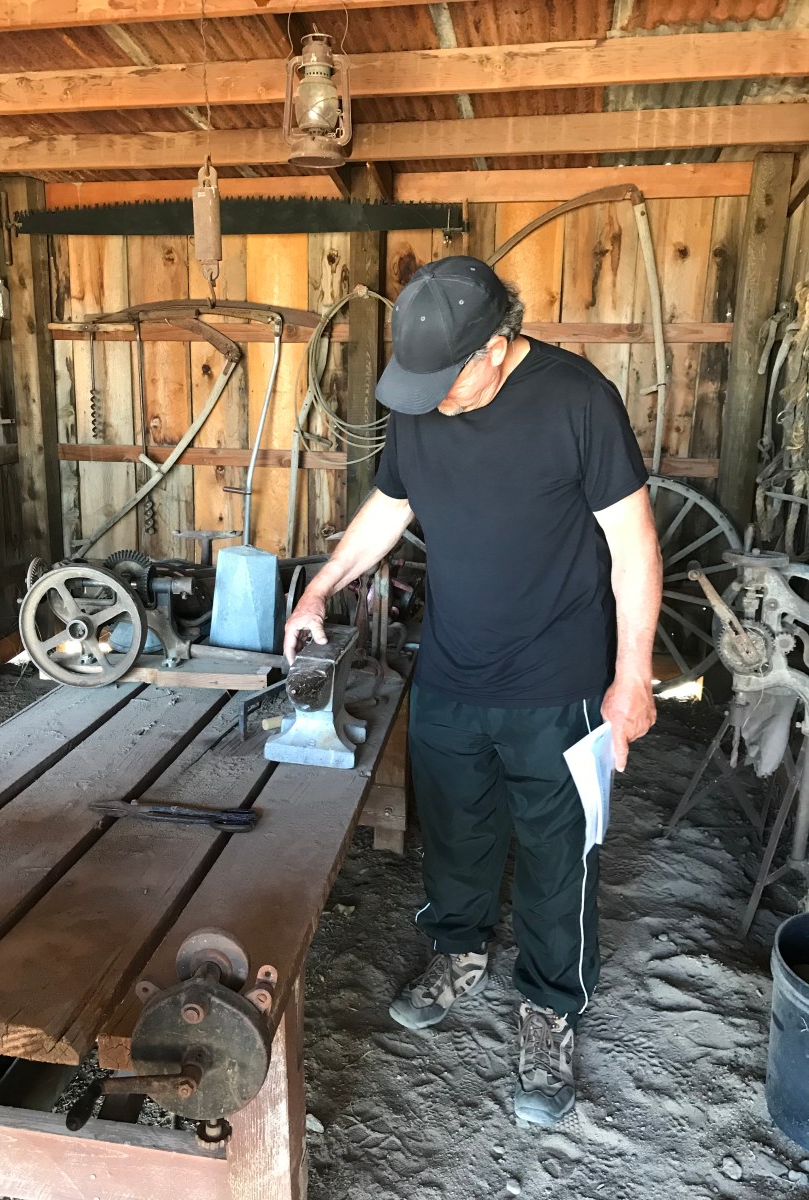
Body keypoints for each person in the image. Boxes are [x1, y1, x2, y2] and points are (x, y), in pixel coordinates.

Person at [283, 256, 662, 1128]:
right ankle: (457, 952)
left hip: (558, 681)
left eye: (445, 383)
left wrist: (632, 677)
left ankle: (549, 1007)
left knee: (557, 854)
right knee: (455, 829)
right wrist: (320, 587)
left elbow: (634, 545)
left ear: (496, 347)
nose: (431, 402)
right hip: (452, 669)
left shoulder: (578, 401)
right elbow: (390, 506)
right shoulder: (422, 398)